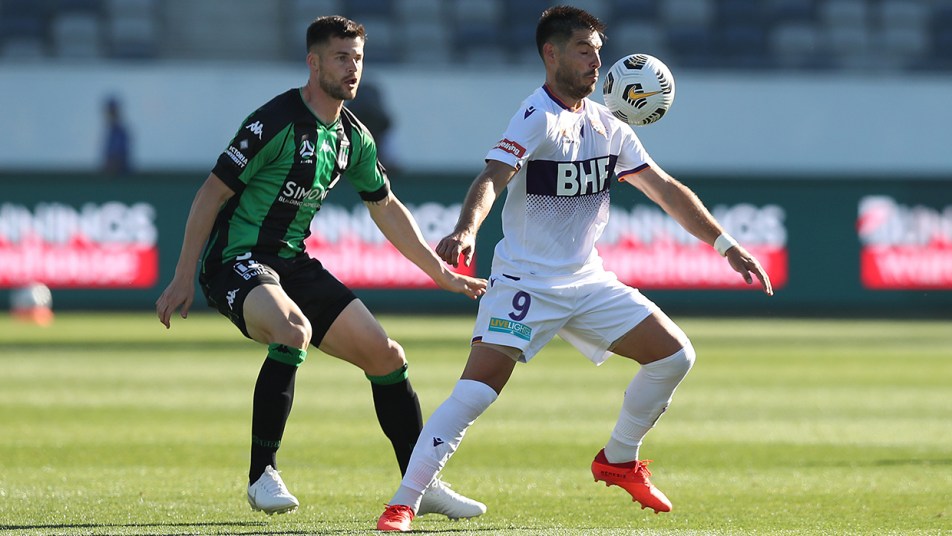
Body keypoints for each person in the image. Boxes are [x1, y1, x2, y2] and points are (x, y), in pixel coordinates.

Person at [376, 5, 773, 531]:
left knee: (674, 355)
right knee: (474, 394)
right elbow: (493, 177)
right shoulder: (536, 115)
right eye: (584, 50)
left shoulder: (609, 125)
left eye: (599, 52)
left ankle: (619, 458)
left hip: (586, 281)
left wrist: (725, 244)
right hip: (526, 282)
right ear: (552, 53)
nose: (595, 62)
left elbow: (665, 189)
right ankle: (404, 500)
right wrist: (468, 229)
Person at [155, 15, 488, 519]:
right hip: (236, 260)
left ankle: (421, 483)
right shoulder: (274, 121)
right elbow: (211, 193)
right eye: (340, 57)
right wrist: (182, 276)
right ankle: (261, 474)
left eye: (357, 58)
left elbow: (386, 206)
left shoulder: (354, 136)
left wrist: (442, 275)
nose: (352, 68)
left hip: (291, 261)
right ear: (313, 63)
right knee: (293, 330)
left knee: (387, 355)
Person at [101, 95, 132, 175]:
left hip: (120, 177)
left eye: (112, 112)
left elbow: (117, 158)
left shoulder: (120, 132)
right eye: (109, 112)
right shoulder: (110, 132)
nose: (109, 115)